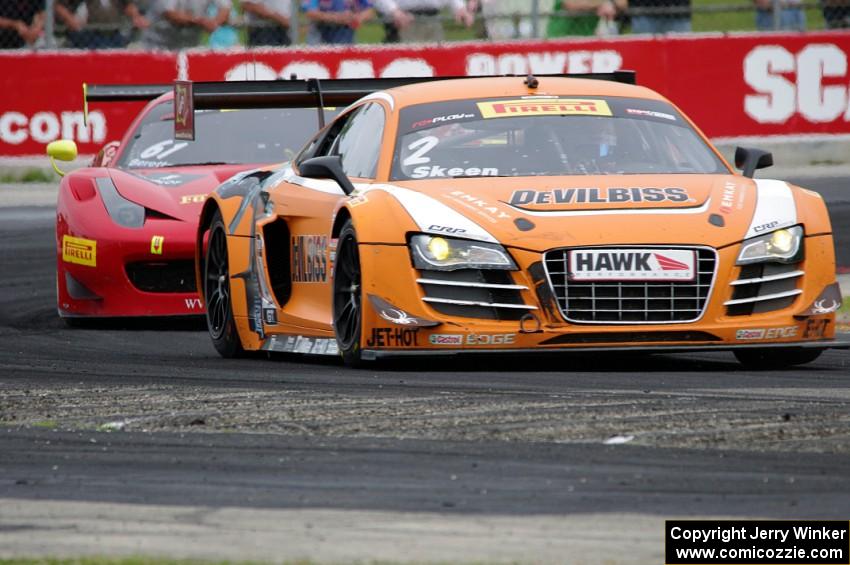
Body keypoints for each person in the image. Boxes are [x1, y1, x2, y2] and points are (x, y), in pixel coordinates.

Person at [55, 0, 149, 48]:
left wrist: (136, 17)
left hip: (114, 34)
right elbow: (58, 6)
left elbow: (128, 6)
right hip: (88, 34)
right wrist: (71, 19)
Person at [142, 0, 230, 49]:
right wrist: (200, 21)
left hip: (190, 45)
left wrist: (215, 22)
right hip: (158, 45)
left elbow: (225, 8)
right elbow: (169, 14)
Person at [372, 0, 474, 42]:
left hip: (434, 21)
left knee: (438, 59)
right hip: (405, 21)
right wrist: (394, 12)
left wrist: (460, 8)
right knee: (409, 62)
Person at [302, 0, 374, 44]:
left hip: (346, 39)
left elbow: (369, 11)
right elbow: (310, 12)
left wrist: (357, 18)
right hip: (320, 39)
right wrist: (336, 17)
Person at [547, 0, 622, 36]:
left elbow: (622, 3)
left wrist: (610, 3)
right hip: (560, 38)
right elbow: (571, 4)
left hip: (587, 38)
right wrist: (602, 3)